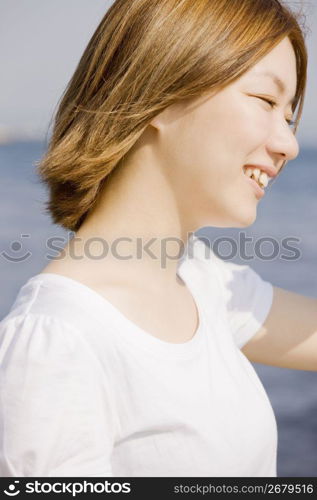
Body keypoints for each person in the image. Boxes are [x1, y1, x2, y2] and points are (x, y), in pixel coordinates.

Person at [0, 0, 315, 478]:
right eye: (266, 102)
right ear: (161, 93)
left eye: (288, 116)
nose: (288, 143)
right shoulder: (59, 342)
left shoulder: (201, 282)